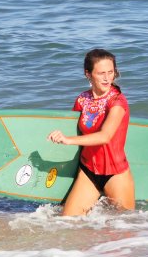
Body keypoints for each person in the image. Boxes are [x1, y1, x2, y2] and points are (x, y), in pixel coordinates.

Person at [48, 48, 135, 216]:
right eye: (101, 73)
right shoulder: (82, 100)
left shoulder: (118, 101)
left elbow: (105, 136)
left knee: (124, 227)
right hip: (88, 170)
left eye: (111, 72)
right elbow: (73, 130)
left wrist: (68, 140)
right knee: (66, 222)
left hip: (115, 174)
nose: (107, 78)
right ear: (88, 74)